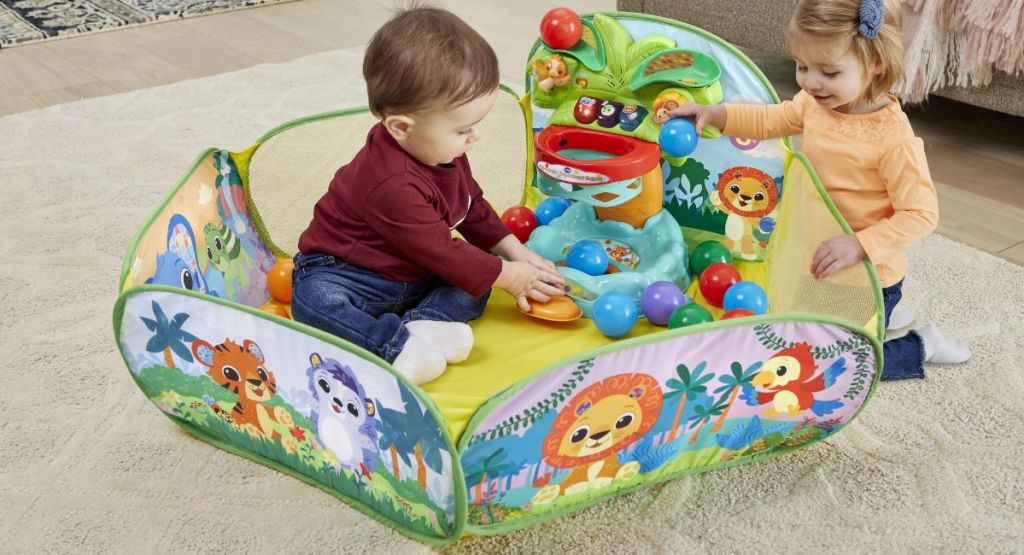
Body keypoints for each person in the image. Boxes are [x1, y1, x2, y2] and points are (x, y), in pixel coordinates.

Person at [668, 0, 970, 379]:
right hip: (818, 261)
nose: (811, 82)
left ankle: (920, 344)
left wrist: (859, 244)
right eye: (802, 66)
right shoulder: (814, 104)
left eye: (828, 71)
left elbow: (921, 214)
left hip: (867, 270)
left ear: (875, 63)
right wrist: (715, 114)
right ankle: (885, 314)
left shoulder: (893, 139)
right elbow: (770, 119)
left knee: (825, 369)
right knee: (791, 334)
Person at [292, 6, 564, 385]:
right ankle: (396, 346)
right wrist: (508, 276)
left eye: (476, 125)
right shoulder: (391, 183)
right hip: (349, 275)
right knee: (313, 303)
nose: (475, 138)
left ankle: (426, 326)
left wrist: (515, 253)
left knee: (476, 277)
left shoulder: (439, 150)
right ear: (402, 127)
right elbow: (442, 251)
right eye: (463, 129)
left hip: (415, 272)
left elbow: (472, 207)